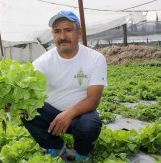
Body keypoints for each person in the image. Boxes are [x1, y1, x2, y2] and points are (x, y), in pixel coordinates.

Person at [22, 11, 107, 161]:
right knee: (24, 110)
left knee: (89, 125)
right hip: (51, 115)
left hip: (81, 115)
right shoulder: (42, 62)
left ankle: (83, 153)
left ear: (78, 32)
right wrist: (12, 100)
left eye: (68, 30)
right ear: (53, 35)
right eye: (57, 31)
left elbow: (93, 100)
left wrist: (70, 113)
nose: (62, 36)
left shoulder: (95, 58)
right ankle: (55, 146)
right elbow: (26, 90)